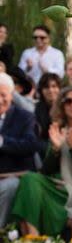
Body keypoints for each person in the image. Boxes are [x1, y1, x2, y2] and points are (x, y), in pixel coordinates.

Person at [11, 85, 72, 235]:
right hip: (59, 186)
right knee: (29, 179)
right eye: (68, 101)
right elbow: (46, 170)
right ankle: (33, 238)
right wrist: (56, 149)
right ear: (62, 105)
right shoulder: (58, 129)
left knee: (32, 187)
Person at [0, 72, 40, 226]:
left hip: (14, 175)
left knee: (9, 187)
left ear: (11, 96)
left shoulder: (25, 117)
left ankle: (2, 234)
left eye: (3, 95)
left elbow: (30, 145)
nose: (0, 100)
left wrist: (3, 142)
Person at [34, 72, 62, 151]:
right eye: (46, 87)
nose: (51, 90)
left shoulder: (66, 106)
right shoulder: (37, 108)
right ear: (41, 90)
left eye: (54, 86)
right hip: (43, 147)